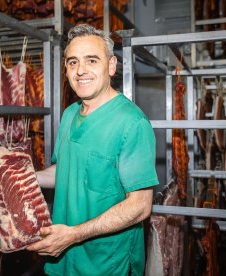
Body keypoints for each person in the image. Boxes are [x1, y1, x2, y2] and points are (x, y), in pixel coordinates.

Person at [26, 24, 159, 276]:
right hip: (62, 259)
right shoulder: (69, 114)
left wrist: (74, 235)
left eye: (91, 60)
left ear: (111, 66)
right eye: (73, 62)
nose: (81, 71)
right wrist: (25, 178)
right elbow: (65, 171)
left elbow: (140, 206)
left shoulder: (131, 123)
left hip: (105, 264)